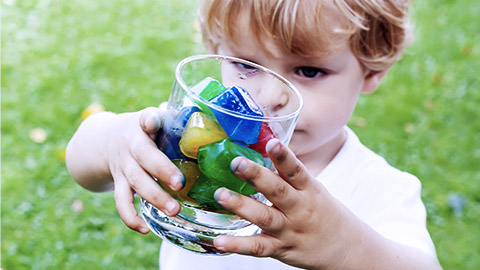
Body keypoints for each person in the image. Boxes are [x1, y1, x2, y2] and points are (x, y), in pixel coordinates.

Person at [66, 0, 442, 269]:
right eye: (246, 66)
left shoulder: (374, 187)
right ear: (216, 50)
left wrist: (344, 249)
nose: (269, 98)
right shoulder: (192, 137)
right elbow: (81, 162)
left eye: (309, 71)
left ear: (372, 71)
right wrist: (114, 139)